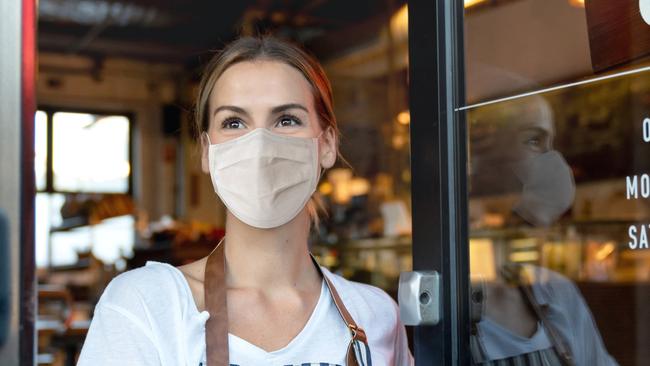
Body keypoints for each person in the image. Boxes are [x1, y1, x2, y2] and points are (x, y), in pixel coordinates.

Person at [77, 36, 413, 366]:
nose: (260, 146)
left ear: (326, 145)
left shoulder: (375, 314)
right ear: (208, 152)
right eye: (234, 122)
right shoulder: (145, 306)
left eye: (287, 120)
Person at [468, 91, 617, 366]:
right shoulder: (441, 306)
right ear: (483, 158)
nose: (552, 161)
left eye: (551, 143)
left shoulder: (558, 293)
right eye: (534, 140)